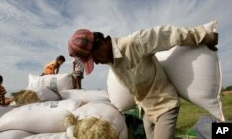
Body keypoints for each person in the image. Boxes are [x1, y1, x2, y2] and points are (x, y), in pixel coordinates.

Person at [67, 21, 218, 139]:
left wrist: (202, 35)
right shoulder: (113, 63)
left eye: (95, 58)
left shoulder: (134, 44)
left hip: (164, 105)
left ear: (100, 44)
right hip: (146, 112)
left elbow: (169, 35)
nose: (98, 63)